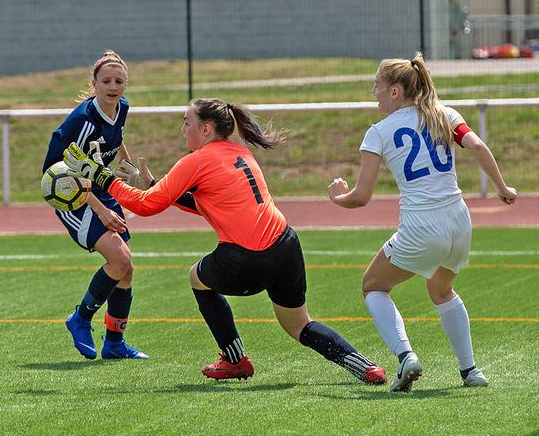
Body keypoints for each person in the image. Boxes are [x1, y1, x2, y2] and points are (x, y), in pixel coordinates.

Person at [63, 98, 387, 384]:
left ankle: (235, 361)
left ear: (205, 129)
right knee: (300, 325)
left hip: (247, 258)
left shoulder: (196, 160)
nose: (182, 129)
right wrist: (154, 183)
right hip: (286, 246)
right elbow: (208, 202)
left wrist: (100, 176)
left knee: (197, 278)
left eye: (186, 122)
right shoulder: (240, 152)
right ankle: (367, 367)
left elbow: (147, 206)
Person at [328, 52, 517, 392]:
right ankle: (471, 371)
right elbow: (477, 145)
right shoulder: (444, 114)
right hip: (460, 223)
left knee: (373, 286)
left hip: (422, 227)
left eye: (377, 86)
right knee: (441, 288)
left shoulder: (380, 131)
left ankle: (405, 357)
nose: (374, 92)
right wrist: (502, 187)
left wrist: (336, 197)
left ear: (396, 92)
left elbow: (360, 197)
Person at [42, 50, 148, 360]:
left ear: (126, 84)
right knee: (119, 260)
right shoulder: (83, 120)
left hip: (98, 187)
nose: (112, 86)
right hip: (72, 194)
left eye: (118, 81)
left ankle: (114, 344)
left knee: (125, 269)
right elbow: (68, 170)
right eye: (106, 81)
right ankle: (80, 319)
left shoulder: (122, 107)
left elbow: (116, 136)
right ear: (94, 84)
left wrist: (127, 165)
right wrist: (101, 210)